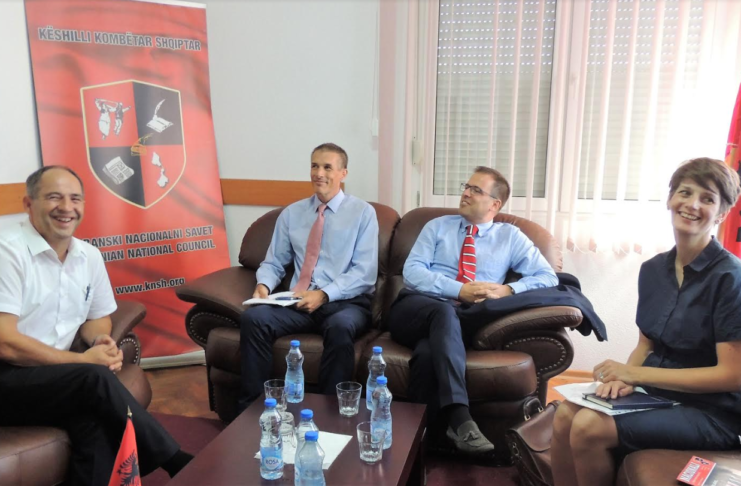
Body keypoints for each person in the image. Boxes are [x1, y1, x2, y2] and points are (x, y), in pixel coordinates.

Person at [551, 157, 741, 486]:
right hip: (657, 394)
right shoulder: (652, 270)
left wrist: (635, 374)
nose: (692, 204)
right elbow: (645, 345)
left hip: (713, 412)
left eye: (707, 199)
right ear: (670, 199)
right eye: (685, 192)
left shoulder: (731, 277)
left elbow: (732, 374)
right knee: (565, 413)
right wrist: (622, 380)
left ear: (722, 213)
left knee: (588, 427)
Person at [0, 166, 192, 485]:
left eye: (75, 198)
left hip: (53, 379)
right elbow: (5, 342)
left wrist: (100, 340)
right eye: (54, 197)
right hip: (7, 377)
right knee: (93, 378)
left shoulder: (88, 256)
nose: (66, 207)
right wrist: (81, 362)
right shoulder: (7, 252)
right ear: (28, 204)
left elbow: (97, 317)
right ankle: (176, 461)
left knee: (95, 418)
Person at [388, 166, 558, 455]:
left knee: (428, 354)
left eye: (475, 190)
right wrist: (459, 290)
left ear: (494, 204)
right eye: (466, 187)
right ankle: (460, 418)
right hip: (415, 309)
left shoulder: (510, 237)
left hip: (461, 322)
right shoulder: (437, 226)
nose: (465, 193)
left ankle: (421, 446)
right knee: (443, 312)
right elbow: (413, 272)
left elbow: (548, 276)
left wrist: (509, 289)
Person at [239, 143, 379, 411]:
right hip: (297, 301)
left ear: (343, 173)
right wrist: (263, 285)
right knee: (253, 319)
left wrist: (324, 294)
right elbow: (274, 261)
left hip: (345, 303)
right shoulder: (292, 213)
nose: (319, 173)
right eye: (314, 166)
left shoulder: (363, 213)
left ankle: (330, 414)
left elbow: (365, 273)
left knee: (340, 328)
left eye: (327, 167)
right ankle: (253, 410)